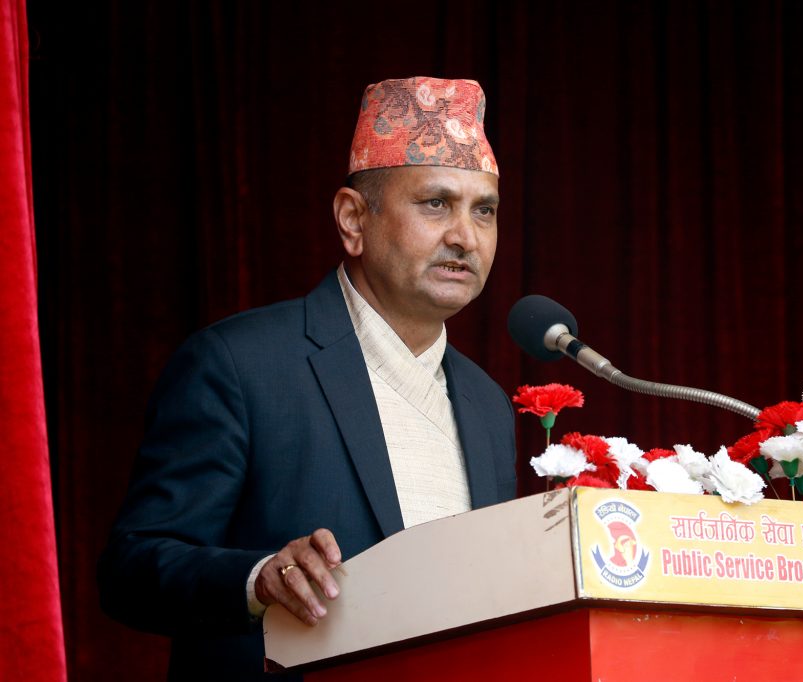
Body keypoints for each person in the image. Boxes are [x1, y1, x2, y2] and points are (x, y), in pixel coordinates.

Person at [98, 77, 517, 681]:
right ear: (353, 219)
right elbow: (131, 569)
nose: (464, 236)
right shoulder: (241, 364)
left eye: (484, 211)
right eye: (435, 203)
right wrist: (256, 580)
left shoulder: (486, 403)